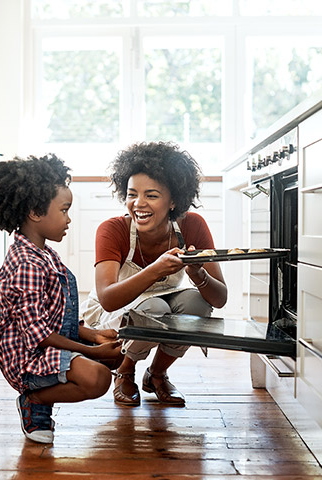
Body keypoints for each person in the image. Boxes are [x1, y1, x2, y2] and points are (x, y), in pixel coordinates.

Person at [0, 154, 123, 444]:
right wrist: (93, 353)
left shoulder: (45, 254)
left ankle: (45, 394)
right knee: (98, 378)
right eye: (64, 210)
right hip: (28, 357)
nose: (69, 219)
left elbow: (56, 317)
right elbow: (39, 334)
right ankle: (34, 402)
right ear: (35, 212)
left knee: (119, 355)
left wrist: (93, 335)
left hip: (48, 343)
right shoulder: (26, 265)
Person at [81, 141, 227, 407]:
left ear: (173, 201)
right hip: (117, 307)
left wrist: (197, 274)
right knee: (153, 306)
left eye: (151, 195)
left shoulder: (192, 225)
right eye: (131, 194)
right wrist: (155, 269)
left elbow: (219, 298)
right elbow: (108, 299)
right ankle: (125, 371)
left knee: (196, 303)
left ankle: (157, 375)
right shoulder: (112, 230)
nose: (138, 204)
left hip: (167, 298)